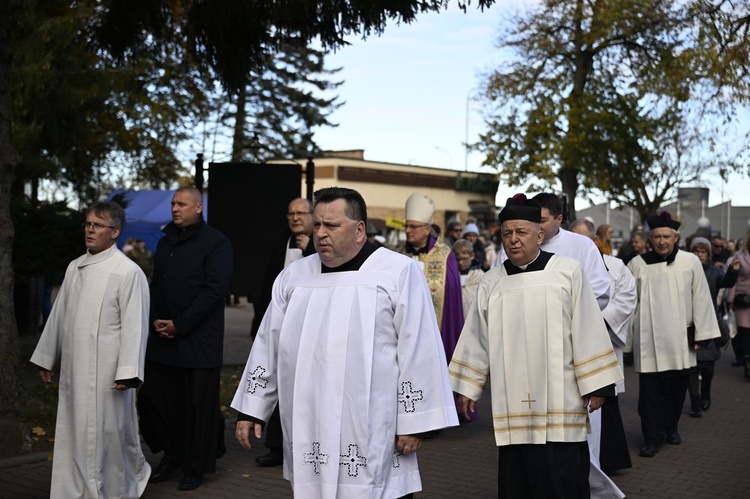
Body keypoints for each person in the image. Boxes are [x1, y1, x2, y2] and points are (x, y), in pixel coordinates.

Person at [232, 187, 458, 498]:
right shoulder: (294, 276)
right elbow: (269, 345)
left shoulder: (397, 272)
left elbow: (419, 349)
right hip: (309, 419)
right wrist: (252, 408)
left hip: (372, 423)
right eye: (317, 225)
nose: (321, 234)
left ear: (359, 229)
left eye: (332, 226)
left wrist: (415, 423)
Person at [450, 194, 622, 499]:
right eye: (507, 233)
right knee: (519, 481)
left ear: (539, 235)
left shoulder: (567, 272)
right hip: (513, 401)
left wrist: (598, 385)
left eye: (521, 232)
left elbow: (588, 329)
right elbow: (476, 337)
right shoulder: (492, 282)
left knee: (564, 481)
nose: (513, 240)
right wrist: (467, 386)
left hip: (562, 398)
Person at [30, 201, 151, 498]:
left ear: (115, 232)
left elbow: (135, 326)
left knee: (109, 434)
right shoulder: (76, 267)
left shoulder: (128, 272)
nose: (90, 229)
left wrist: (129, 372)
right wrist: (48, 357)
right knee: (75, 432)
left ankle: (117, 487)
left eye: (98, 225)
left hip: (109, 374)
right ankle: (75, 490)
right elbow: (59, 315)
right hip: (75, 369)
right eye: (87, 224)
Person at [137, 186, 233, 491]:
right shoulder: (165, 243)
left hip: (198, 341)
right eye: (173, 204)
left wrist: (180, 324)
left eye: (181, 204)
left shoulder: (217, 243)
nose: (175, 208)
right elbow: (158, 285)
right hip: (163, 338)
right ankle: (172, 454)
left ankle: (196, 466)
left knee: (197, 408)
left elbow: (214, 292)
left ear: (198, 208)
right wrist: (153, 319)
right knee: (157, 399)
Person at [627, 211, 720, 458]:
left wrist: (702, 335)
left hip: (681, 340)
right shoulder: (637, 265)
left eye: (667, 236)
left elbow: (700, 299)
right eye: (657, 236)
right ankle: (651, 438)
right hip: (648, 342)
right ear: (650, 237)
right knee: (649, 397)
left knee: (677, 392)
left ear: (676, 237)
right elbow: (628, 303)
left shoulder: (690, 262)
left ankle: (671, 427)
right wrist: (626, 342)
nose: (662, 241)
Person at [249, 197, 316, 467]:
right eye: (291, 213)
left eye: (301, 213)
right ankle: (276, 446)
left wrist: (310, 249)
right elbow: (267, 288)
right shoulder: (281, 245)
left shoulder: (322, 247)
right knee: (279, 387)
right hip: (283, 330)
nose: (296, 218)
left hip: (310, 331)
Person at [571, 219, 636, 476]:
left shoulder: (615, 266)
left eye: (586, 237)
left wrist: (598, 322)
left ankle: (607, 460)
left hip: (604, 342)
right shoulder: (559, 265)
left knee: (604, 404)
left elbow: (627, 297)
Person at [492, 193, 611, 311]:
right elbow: (495, 285)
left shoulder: (583, 245)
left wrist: (561, 312)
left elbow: (599, 291)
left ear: (559, 219)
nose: (536, 225)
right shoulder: (513, 248)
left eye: (542, 221)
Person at [399, 192, 464, 362]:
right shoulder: (398, 254)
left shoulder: (445, 256)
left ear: (427, 229)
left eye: (413, 226)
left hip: (434, 336)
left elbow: (450, 303)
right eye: (406, 226)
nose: (407, 230)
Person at [687, 237, 739, 416]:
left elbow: (727, 282)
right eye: (697, 251)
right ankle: (694, 402)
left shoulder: (714, 271)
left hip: (710, 322)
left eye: (703, 252)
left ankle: (706, 393)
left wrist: (732, 271)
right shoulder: (685, 270)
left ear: (708, 254)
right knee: (691, 365)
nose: (700, 255)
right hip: (689, 324)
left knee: (708, 365)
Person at [728, 229, 750, 379]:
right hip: (743, 300)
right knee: (745, 334)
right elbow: (733, 279)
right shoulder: (739, 256)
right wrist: (730, 299)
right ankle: (747, 366)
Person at [453, 238, 484, 318]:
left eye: (464, 258)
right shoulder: (451, 275)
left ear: (471, 256)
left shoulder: (479, 276)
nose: (460, 262)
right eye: (457, 259)